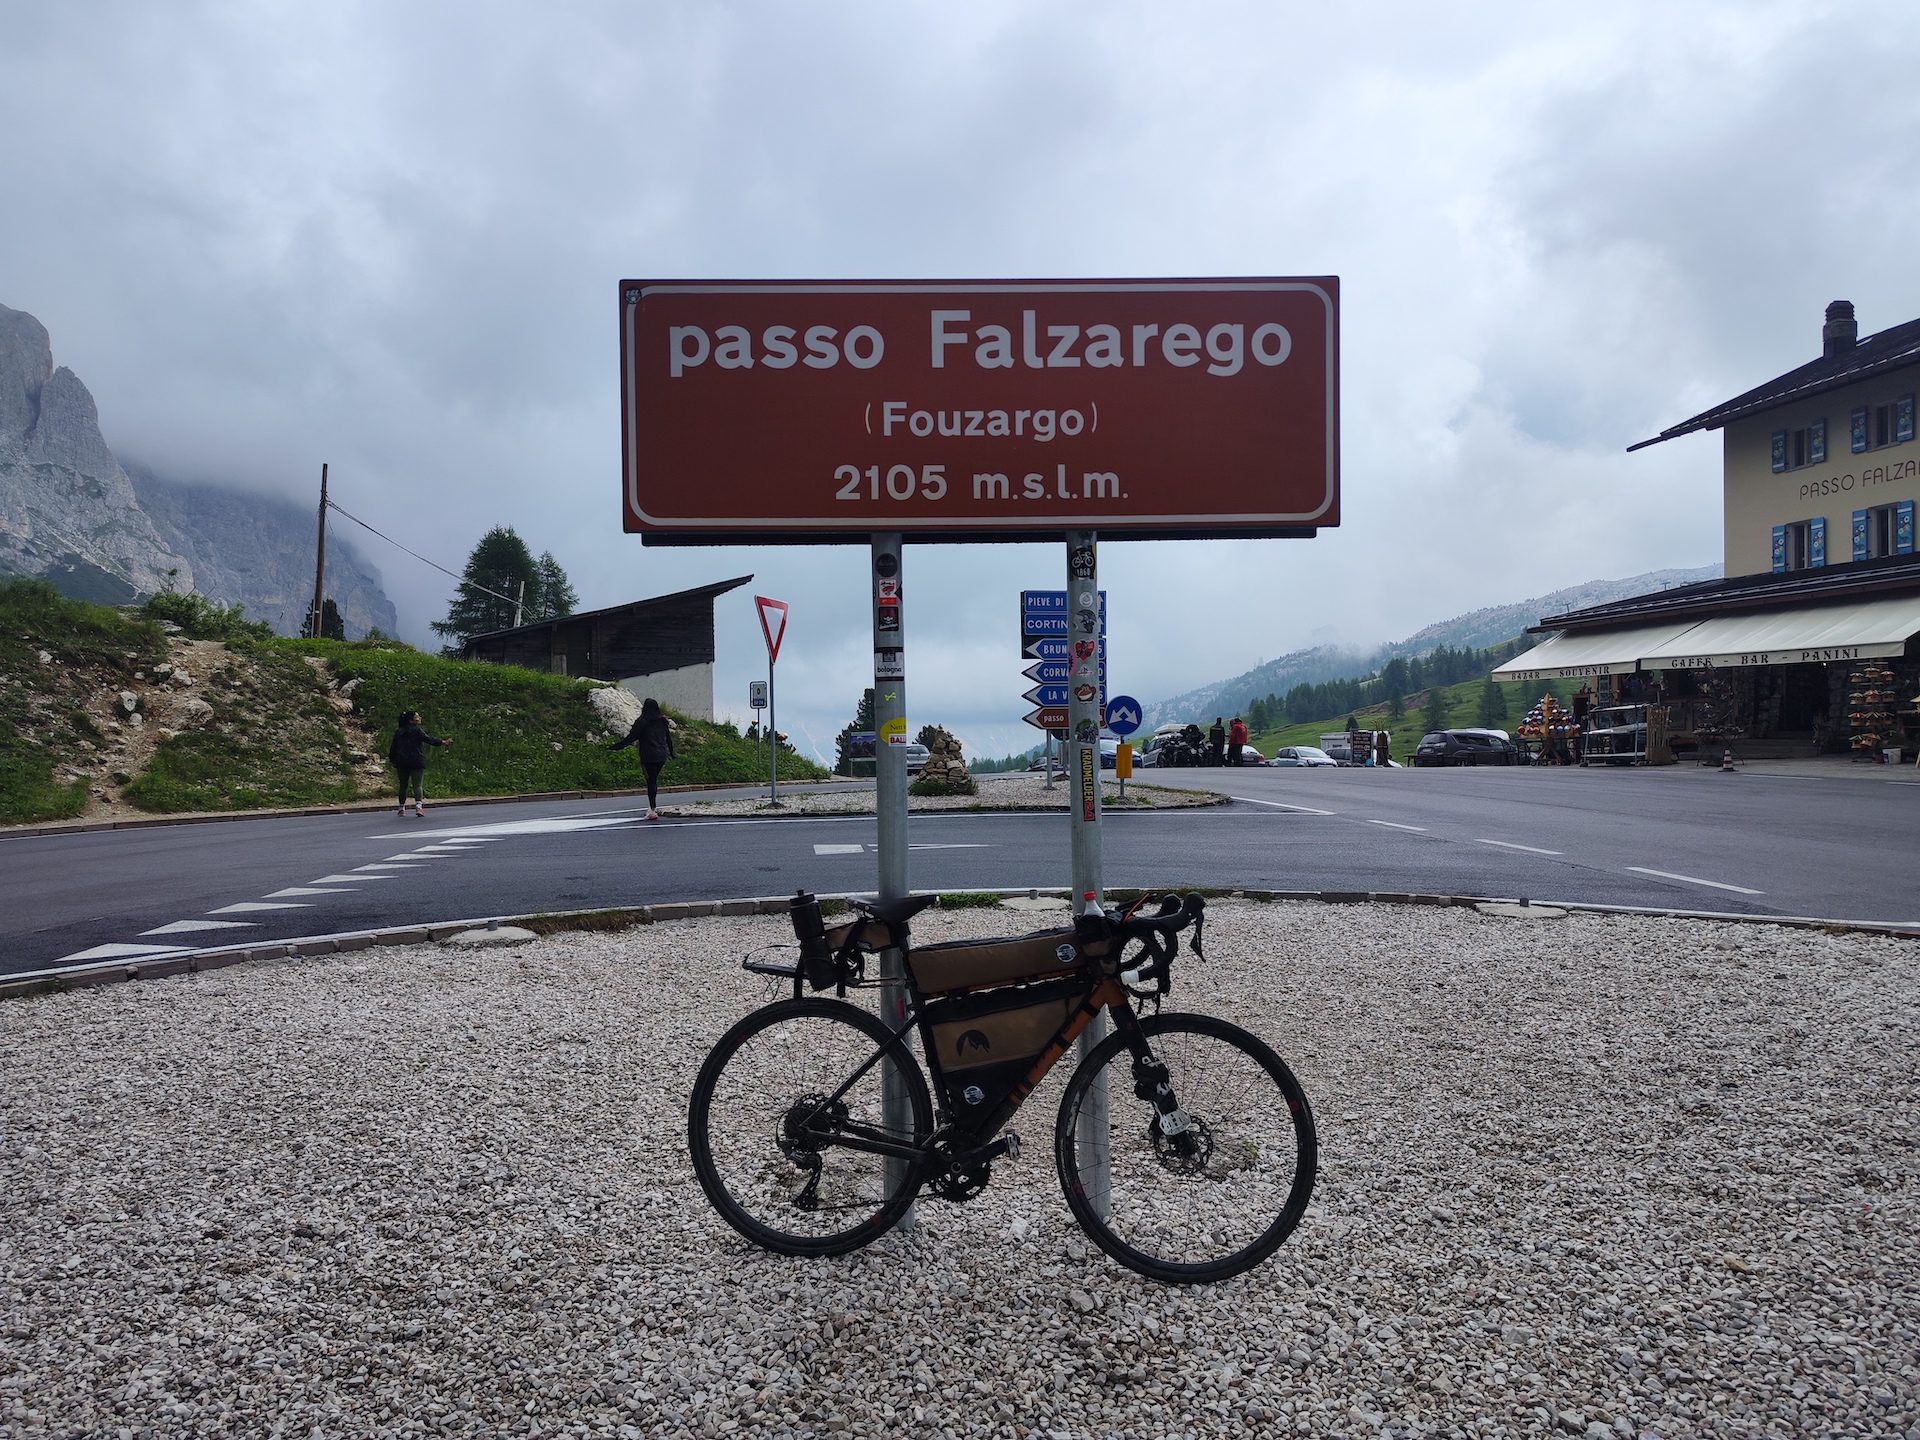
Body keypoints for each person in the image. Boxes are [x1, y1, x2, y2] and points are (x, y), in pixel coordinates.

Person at [610, 696, 676, 819]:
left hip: (648, 756)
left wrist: (616, 747)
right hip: (661, 755)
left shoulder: (642, 721)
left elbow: (631, 737)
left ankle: (652, 809)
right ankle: (652, 808)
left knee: (651, 780)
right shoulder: (663, 721)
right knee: (654, 779)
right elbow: (668, 739)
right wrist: (672, 753)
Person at [387, 710, 452, 817]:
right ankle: (418, 807)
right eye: (417, 716)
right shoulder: (417, 731)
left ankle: (401, 808)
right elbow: (428, 739)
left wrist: (393, 760)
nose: (419, 717)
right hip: (416, 760)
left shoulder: (399, 732)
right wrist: (442, 742)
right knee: (417, 784)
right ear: (411, 720)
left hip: (402, 762)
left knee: (403, 785)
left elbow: (393, 748)